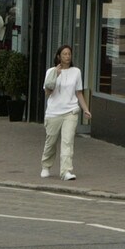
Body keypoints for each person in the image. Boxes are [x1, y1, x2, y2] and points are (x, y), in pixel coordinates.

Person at [39, 44, 92, 182]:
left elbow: (79, 93)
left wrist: (86, 109)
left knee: (67, 142)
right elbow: (47, 92)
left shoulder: (76, 72)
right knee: (51, 142)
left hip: (71, 111)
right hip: (54, 112)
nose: (67, 57)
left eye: (69, 54)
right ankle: (46, 165)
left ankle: (66, 171)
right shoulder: (51, 71)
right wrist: (55, 76)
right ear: (59, 56)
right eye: (64, 54)